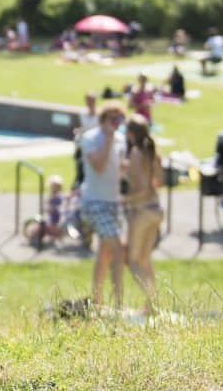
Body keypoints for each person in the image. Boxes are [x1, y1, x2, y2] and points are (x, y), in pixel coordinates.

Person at [79, 101, 126, 308]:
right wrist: (108, 139)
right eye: (113, 119)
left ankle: (96, 300)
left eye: (120, 119)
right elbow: (98, 166)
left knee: (105, 252)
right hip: (94, 202)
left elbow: (120, 171)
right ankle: (118, 303)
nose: (117, 124)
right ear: (103, 120)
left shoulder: (121, 140)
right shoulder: (90, 138)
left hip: (112, 202)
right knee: (118, 248)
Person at [122, 114, 163, 313]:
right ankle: (152, 305)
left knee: (133, 261)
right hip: (156, 209)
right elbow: (158, 182)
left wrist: (123, 199)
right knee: (145, 260)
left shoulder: (136, 153)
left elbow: (141, 189)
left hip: (142, 212)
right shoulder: (153, 152)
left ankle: (152, 303)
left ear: (131, 134)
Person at [73, 91, 100, 189]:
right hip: (83, 145)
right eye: (88, 100)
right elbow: (80, 128)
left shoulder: (100, 116)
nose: (90, 102)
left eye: (92, 100)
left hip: (95, 147)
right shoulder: (82, 115)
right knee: (80, 169)